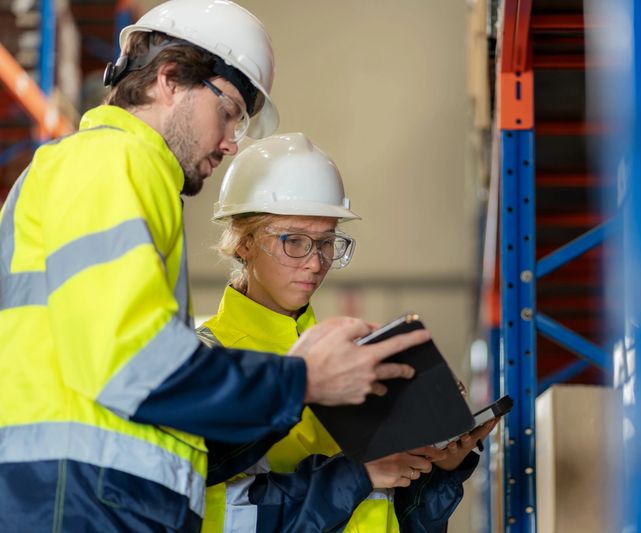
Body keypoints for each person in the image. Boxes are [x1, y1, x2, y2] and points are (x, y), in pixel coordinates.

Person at [0, 1, 428, 531]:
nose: (230, 142)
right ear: (170, 79)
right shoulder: (110, 162)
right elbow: (131, 364)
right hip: (77, 502)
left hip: (92, 500)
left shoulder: (125, 176)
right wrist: (302, 381)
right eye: (227, 112)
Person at [198, 133, 497, 532]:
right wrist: (357, 475)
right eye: (295, 242)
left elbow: (384, 513)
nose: (315, 263)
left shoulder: (357, 358)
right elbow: (220, 510)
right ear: (244, 242)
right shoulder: (207, 363)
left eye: (326, 243)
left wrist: (437, 466)